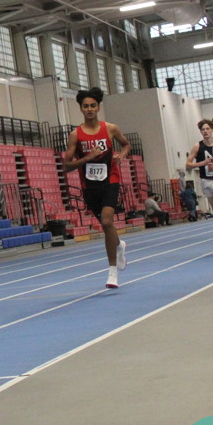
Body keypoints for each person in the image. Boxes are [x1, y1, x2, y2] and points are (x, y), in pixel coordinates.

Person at [63, 87, 130, 289]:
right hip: (90, 185)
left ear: (98, 107)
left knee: (107, 221)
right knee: (106, 226)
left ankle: (112, 273)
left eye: (93, 105)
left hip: (110, 180)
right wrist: (88, 157)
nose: (90, 109)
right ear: (81, 109)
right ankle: (119, 244)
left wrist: (121, 156)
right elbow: (67, 166)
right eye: (86, 106)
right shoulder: (75, 135)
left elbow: (126, 144)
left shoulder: (110, 128)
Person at [185, 119, 213, 243]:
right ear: (200, 132)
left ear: (212, 130)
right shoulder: (198, 146)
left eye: (208, 129)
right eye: (203, 129)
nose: (205, 131)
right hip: (206, 181)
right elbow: (188, 164)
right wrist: (202, 163)